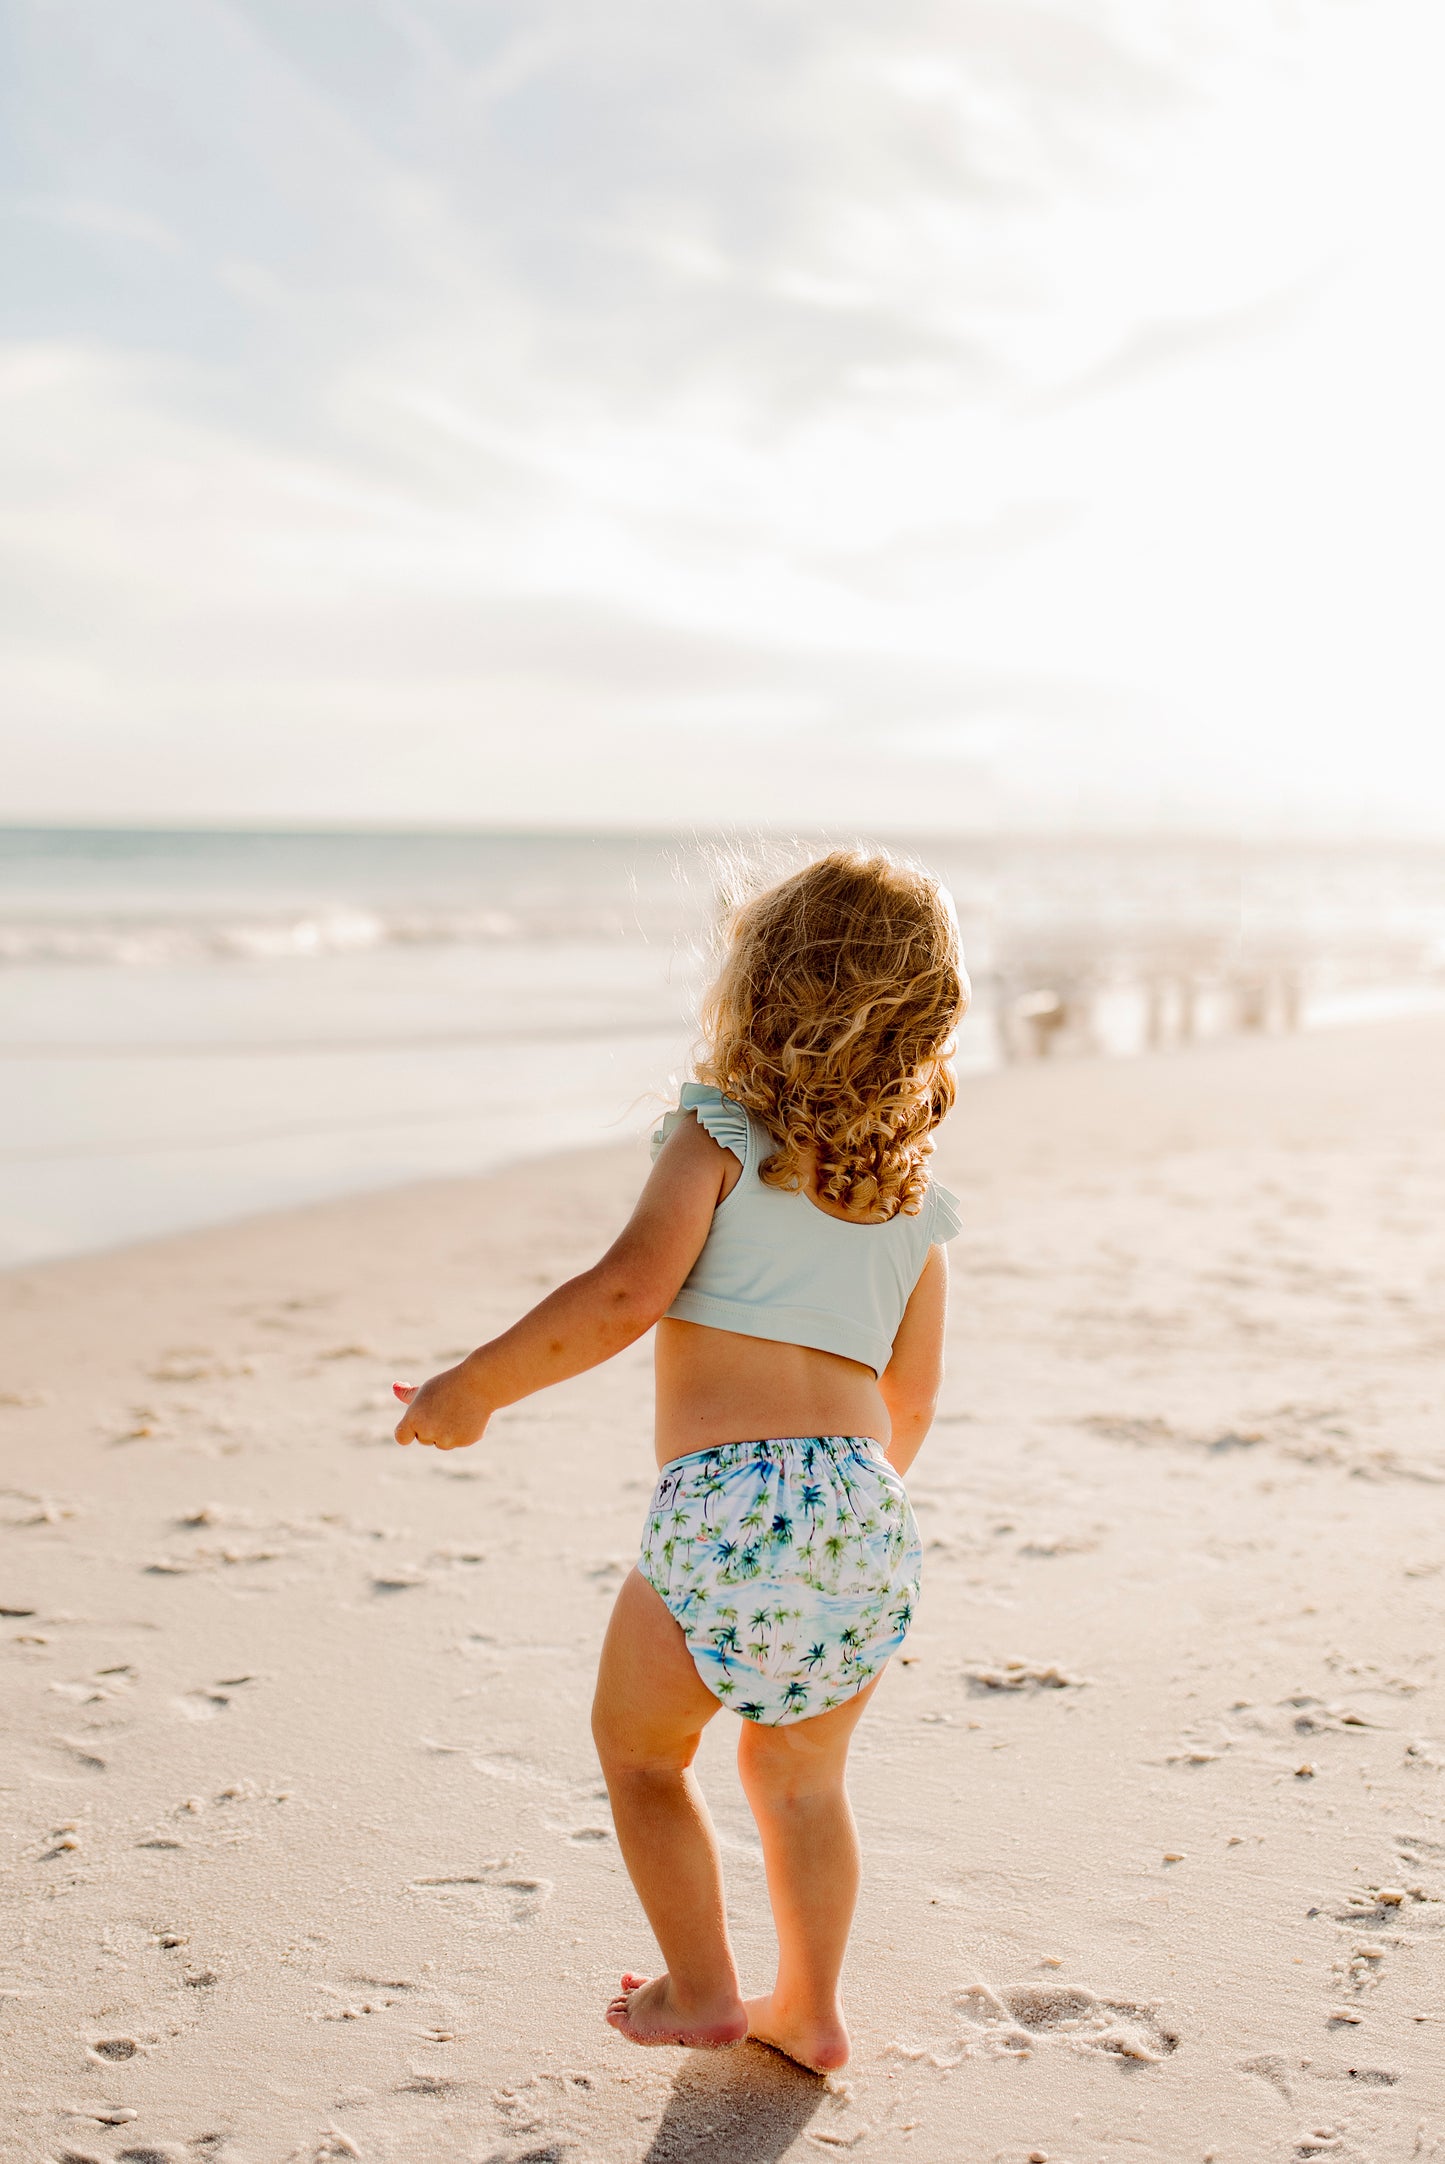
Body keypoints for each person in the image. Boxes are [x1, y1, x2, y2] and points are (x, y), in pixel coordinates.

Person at [393, 848, 967, 2073]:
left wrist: (473, 1387)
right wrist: (841, 1521)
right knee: (803, 1779)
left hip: (728, 1503)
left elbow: (619, 1295)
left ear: (759, 984)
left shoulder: (718, 1136)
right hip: (863, 1514)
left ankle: (700, 1987)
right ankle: (808, 2010)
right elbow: (908, 1397)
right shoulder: (915, 1204)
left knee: (643, 1752)